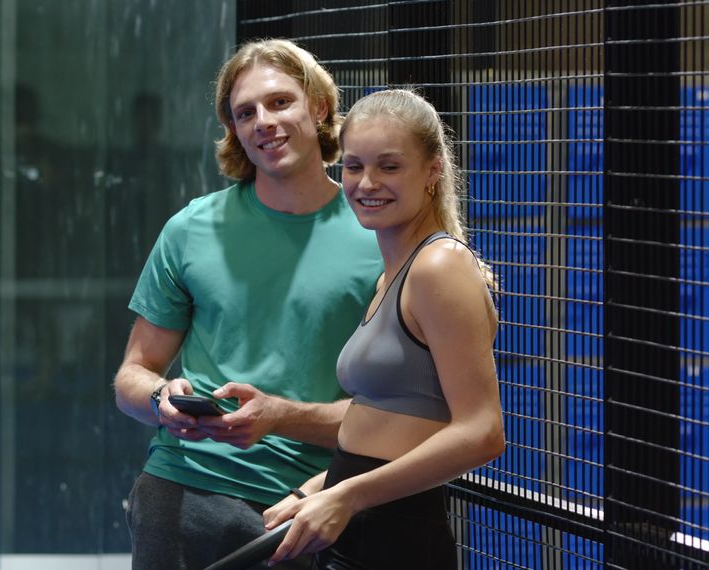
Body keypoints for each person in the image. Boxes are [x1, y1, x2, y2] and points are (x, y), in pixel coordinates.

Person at [113, 39, 383, 569]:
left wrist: (281, 417)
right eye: (245, 112)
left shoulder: (378, 235)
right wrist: (160, 398)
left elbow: (402, 417)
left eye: (281, 102)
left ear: (320, 107)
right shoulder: (191, 228)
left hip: (313, 502)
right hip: (182, 487)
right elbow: (132, 375)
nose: (263, 121)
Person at [262, 88, 506, 569]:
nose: (366, 183)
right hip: (357, 525)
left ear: (433, 170)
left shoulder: (439, 265)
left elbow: (483, 431)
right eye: (354, 166)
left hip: (398, 536)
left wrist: (348, 496)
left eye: (389, 167)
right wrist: (317, 491)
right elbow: (387, 420)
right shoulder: (392, 272)